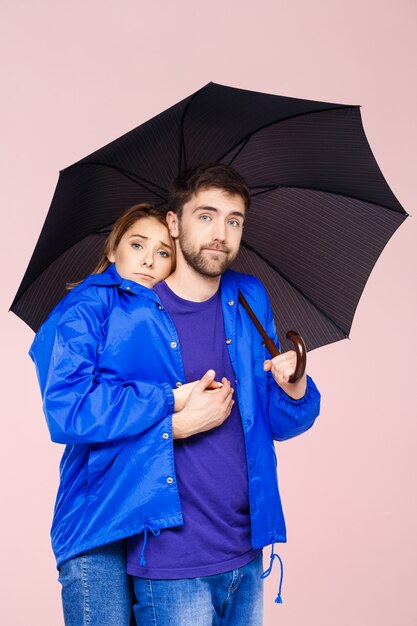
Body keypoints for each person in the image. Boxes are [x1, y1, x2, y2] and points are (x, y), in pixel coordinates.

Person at [126, 164, 321, 625]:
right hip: (172, 561)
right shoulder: (135, 313)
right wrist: (178, 419)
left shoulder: (249, 297)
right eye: (207, 216)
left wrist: (292, 383)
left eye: (234, 220)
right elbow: (108, 430)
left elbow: (281, 424)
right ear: (174, 223)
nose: (221, 233)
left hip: (246, 549)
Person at [30, 203, 217, 625]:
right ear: (114, 250)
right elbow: (69, 411)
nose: (149, 260)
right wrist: (169, 402)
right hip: (97, 517)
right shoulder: (84, 307)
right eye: (137, 245)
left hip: (155, 516)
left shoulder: (163, 316)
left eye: (164, 251)